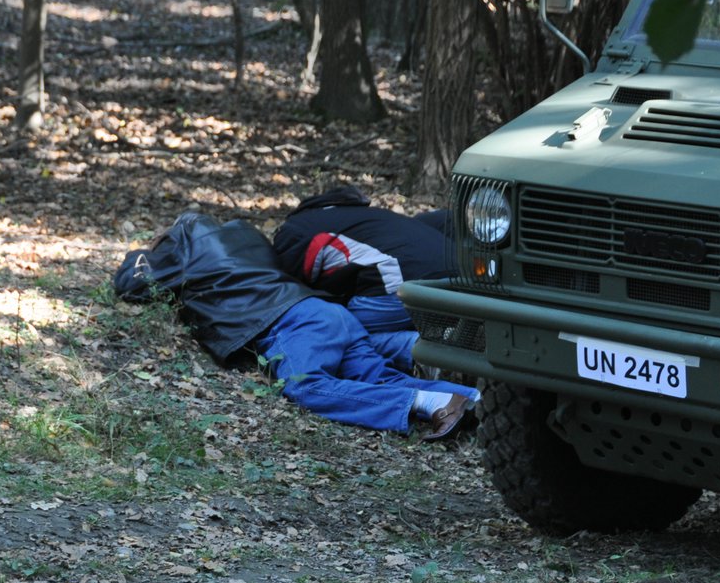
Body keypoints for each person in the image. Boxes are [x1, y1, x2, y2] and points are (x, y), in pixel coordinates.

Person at [114, 213, 477, 439]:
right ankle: (476, 400)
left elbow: (131, 282)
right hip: (329, 313)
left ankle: (428, 400)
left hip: (292, 321)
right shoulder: (244, 235)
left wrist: (146, 251)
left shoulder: (186, 246)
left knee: (306, 386)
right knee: (380, 377)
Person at [272, 187, 456, 367]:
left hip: (405, 285)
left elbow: (295, 296)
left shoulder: (296, 231)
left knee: (337, 333)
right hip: (457, 282)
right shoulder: (367, 216)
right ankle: (450, 339)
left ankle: (421, 351)